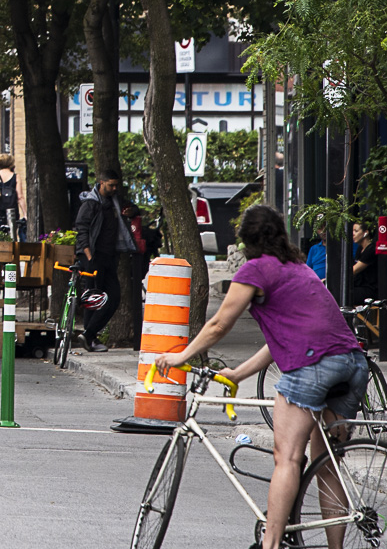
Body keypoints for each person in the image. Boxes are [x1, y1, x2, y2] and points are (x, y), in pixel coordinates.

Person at [157, 205, 370, 549]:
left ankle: (270, 544)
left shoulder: (256, 270)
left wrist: (180, 355)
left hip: (311, 367)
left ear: (245, 241)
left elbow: (218, 324)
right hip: (351, 363)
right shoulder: (298, 269)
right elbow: (286, 340)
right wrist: (239, 373)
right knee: (325, 463)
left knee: (286, 458)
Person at [73, 174, 135, 352]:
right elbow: (82, 231)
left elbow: (133, 209)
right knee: (93, 298)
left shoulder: (115, 202)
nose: (115, 188)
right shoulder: (90, 203)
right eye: (111, 185)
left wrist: (132, 212)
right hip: (93, 258)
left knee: (114, 297)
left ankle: (88, 334)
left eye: (116, 185)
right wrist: (89, 257)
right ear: (101, 183)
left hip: (109, 257)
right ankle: (90, 338)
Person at [349, 222, 380, 304]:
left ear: (365, 233)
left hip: (370, 289)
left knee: (344, 295)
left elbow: (354, 270)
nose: (353, 234)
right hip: (360, 286)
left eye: (356, 231)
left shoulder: (371, 250)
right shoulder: (360, 249)